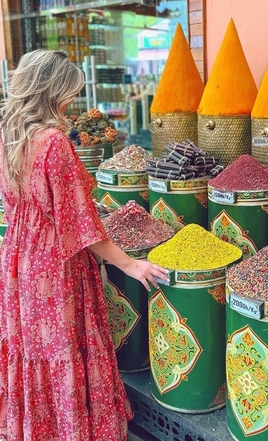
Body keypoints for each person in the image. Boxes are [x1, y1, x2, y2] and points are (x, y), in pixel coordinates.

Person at [0, 50, 168, 441]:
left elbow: (16, 206)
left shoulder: (10, 137)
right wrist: (130, 264)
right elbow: (79, 227)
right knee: (63, 345)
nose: (71, 101)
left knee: (33, 345)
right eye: (69, 92)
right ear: (52, 91)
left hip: (18, 258)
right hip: (54, 263)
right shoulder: (54, 143)